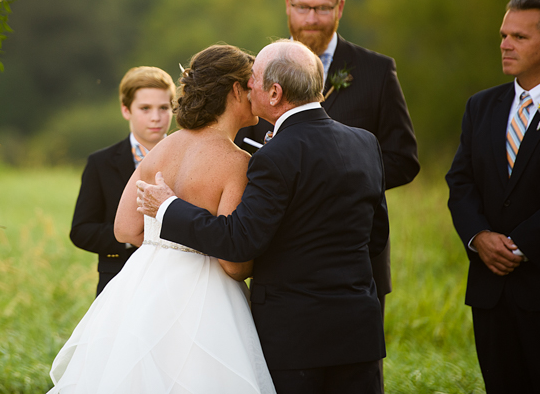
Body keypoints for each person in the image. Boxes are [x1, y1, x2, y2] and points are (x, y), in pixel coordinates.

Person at [140, 40, 388, 394]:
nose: (246, 86)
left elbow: (240, 241)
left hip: (295, 336)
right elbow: (376, 237)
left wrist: (168, 208)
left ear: (274, 93)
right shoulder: (364, 143)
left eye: (252, 79)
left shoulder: (274, 155)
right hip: (358, 331)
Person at [49, 45, 276, 394]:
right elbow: (233, 265)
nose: (256, 93)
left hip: (143, 284)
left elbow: (124, 228)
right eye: (251, 85)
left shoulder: (163, 148)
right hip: (206, 296)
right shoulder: (237, 163)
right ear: (234, 91)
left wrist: (165, 246)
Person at [235, 0, 418, 319]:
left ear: (340, 8)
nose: (312, 18)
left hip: (357, 257)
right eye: (303, 7)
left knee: (359, 368)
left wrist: (340, 181)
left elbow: (403, 159)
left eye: (322, 8)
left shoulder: (377, 71)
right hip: (277, 255)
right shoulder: (255, 72)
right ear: (288, 5)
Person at [447, 0, 540, 394]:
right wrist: (479, 238)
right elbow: (461, 181)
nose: (505, 44)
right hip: (491, 293)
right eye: (504, 35)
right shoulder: (481, 106)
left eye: (518, 36)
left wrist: (520, 245)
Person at [69, 66, 176, 296]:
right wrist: (131, 238)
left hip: (175, 278)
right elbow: (81, 230)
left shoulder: (187, 157)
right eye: (145, 108)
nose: (156, 117)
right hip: (119, 279)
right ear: (126, 110)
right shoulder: (101, 163)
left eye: (164, 108)